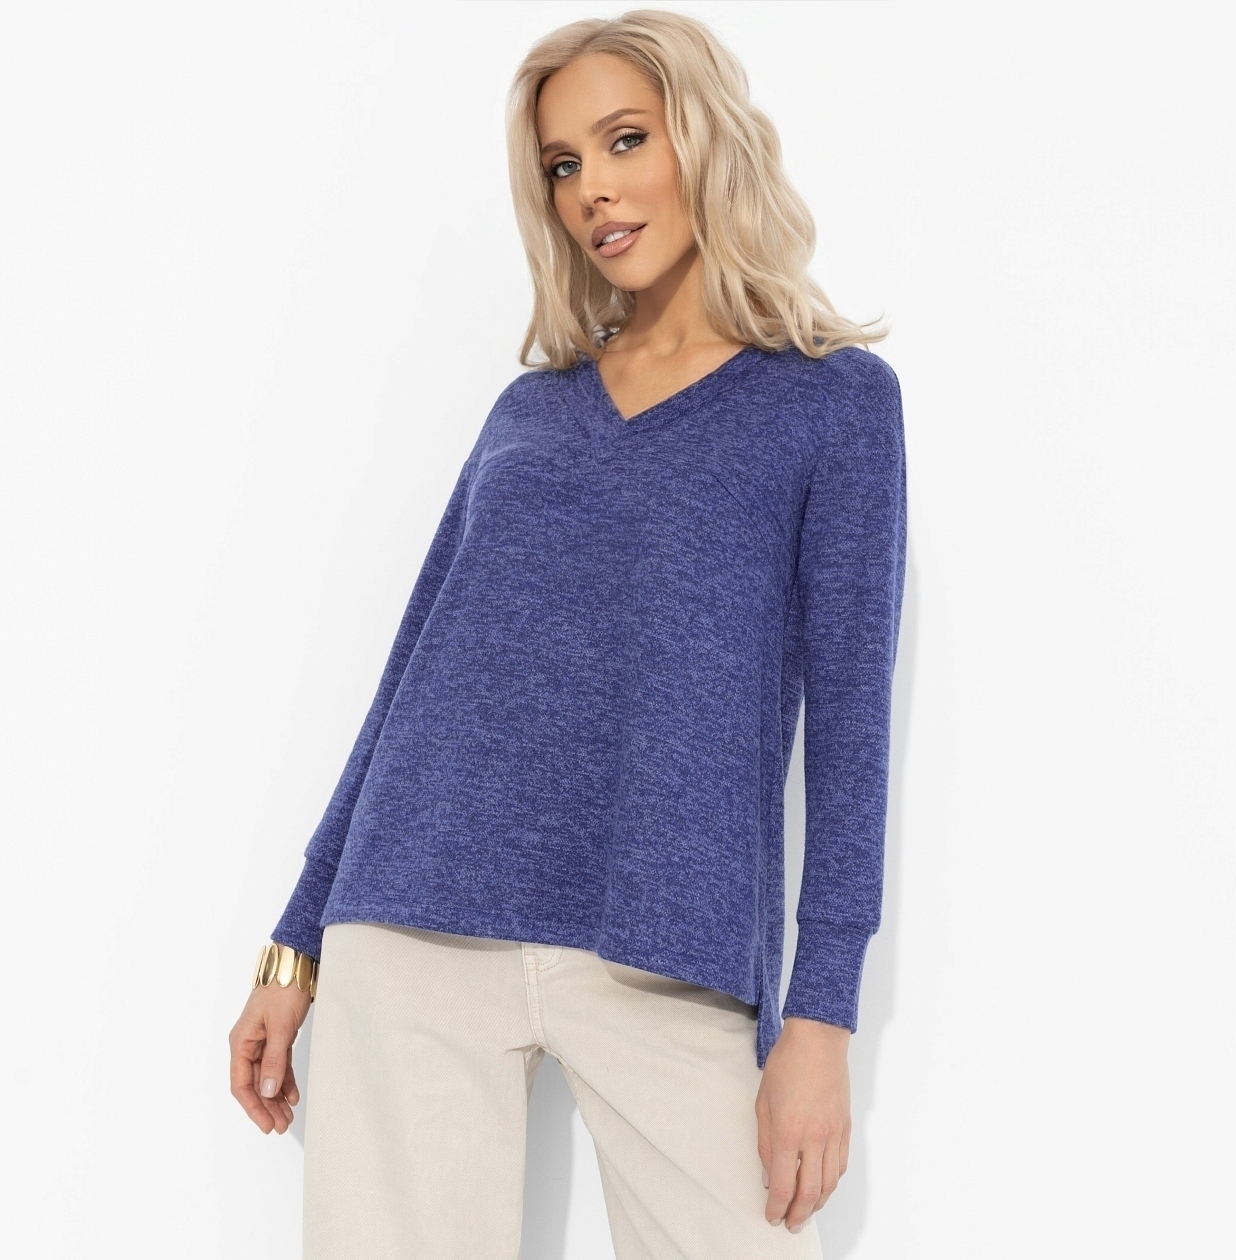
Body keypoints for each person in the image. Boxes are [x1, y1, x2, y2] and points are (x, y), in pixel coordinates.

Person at [228, 9, 906, 1258]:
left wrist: (823, 1017)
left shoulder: (832, 401)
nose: (591, 187)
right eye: (561, 163)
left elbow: (853, 728)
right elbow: (415, 670)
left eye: (625, 140)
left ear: (704, 139)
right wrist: (297, 941)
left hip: (666, 945)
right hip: (417, 917)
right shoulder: (529, 412)